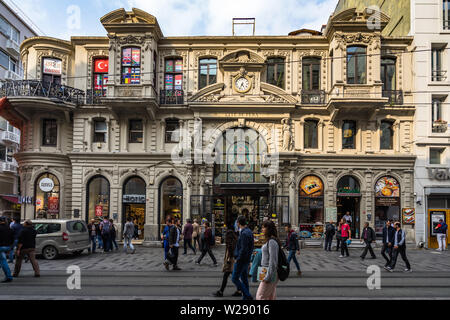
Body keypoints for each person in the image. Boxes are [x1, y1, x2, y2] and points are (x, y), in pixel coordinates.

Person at [213, 227, 241, 297]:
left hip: (230, 262)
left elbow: (229, 253)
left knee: (227, 277)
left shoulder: (229, 243)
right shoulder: (235, 241)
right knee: (233, 277)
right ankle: (239, 290)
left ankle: (221, 291)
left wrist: (227, 261)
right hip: (233, 262)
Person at [231, 215, 254, 300]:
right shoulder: (249, 231)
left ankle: (247, 295)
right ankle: (245, 297)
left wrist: (238, 259)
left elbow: (243, 249)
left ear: (238, 223)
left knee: (234, 278)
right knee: (244, 278)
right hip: (246, 259)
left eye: (237, 222)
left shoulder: (244, 233)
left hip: (241, 260)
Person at [256, 220, 280, 300]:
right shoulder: (270, 241)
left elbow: (273, 261)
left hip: (269, 273)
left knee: (260, 296)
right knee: (270, 297)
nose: (262, 229)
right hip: (266, 271)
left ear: (268, 229)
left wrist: (268, 277)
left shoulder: (272, 242)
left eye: (264, 227)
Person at [0, 216, 14, 282]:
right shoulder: (9, 229)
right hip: (7, 246)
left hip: (1, 246)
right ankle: (9, 276)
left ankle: (9, 276)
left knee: (3, 261)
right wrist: (10, 248)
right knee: (3, 260)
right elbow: (12, 239)